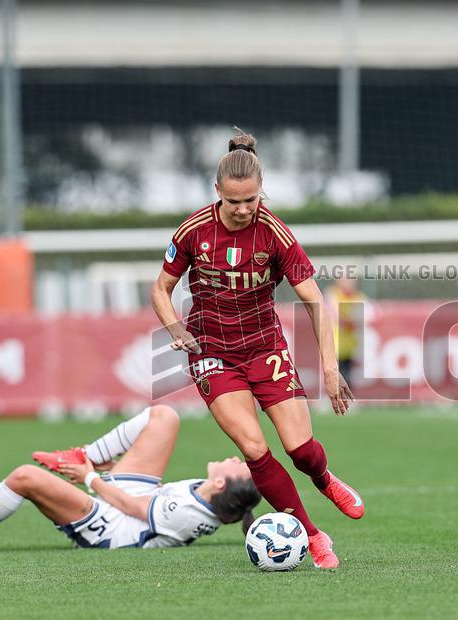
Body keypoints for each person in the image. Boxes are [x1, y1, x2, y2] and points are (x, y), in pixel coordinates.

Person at [151, 129, 363, 570]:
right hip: (211, 351)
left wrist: (328, 368)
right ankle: (314, 535)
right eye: (236, 202)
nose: (246, 209)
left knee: (300, 449)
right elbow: (161, 289)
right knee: (253, 447)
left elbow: (315, 300)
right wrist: (175, 327)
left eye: (253, 199)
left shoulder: (275, 234)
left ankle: (322, 478)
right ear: (218, 194)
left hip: (264, 347)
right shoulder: (193, 231)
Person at [0, 405, 261, 553]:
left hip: (112, 528)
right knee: (166, 417)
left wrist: (90, 478)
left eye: (239, 466)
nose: (236, 456)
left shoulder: (185, 512)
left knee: (24, 478)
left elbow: (129, 506)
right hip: (136, 500)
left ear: (221, 484)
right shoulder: (210, 500)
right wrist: (96, 469)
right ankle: (85, 453)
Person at [325, 277, 367, 389]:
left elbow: (367, 314)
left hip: (349, 343)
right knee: (333, 370)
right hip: (334, 341)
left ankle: (348, 399)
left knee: (347, 371)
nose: (348, 283)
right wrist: (350, 321)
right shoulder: (333, 294)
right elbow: (337, 316)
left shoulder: (358, 296)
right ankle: (330, 396)